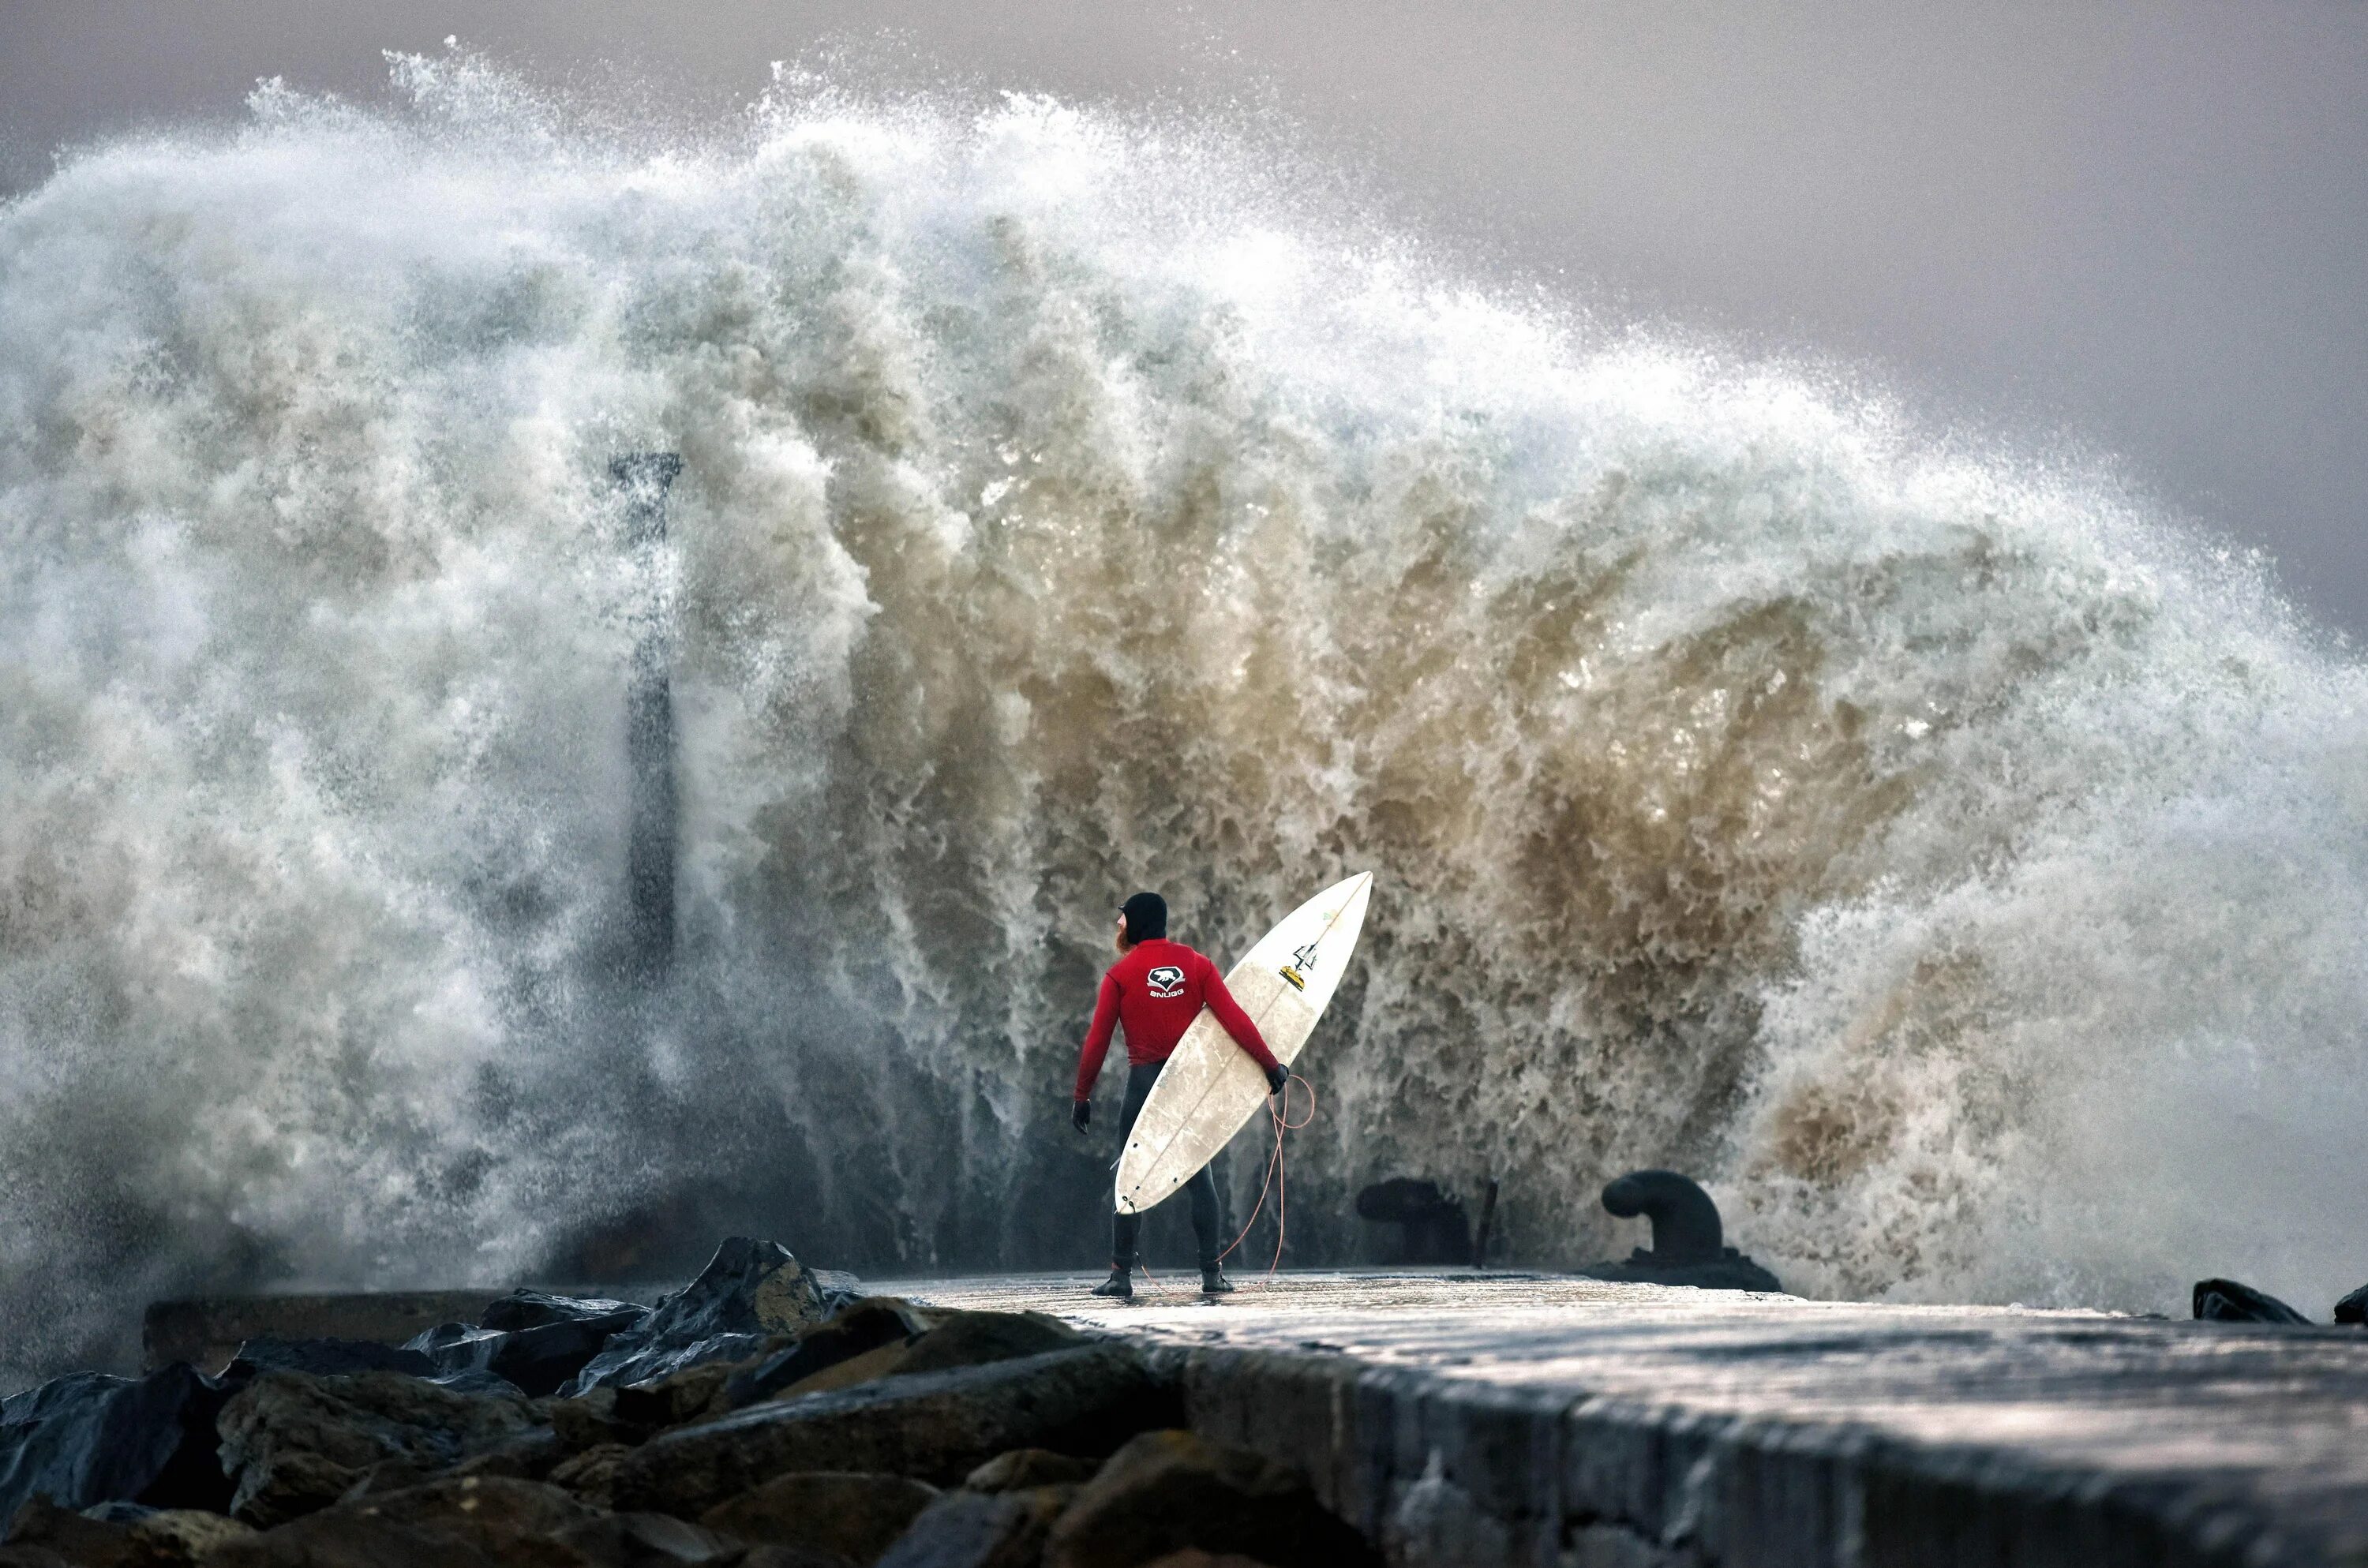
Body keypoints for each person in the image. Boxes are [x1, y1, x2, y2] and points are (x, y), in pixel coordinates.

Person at [1073, 890, 1289, 1299]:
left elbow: (1096, 1042)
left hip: (1143, 1087)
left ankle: (1121, 1275)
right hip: (1189, 1088)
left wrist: (1082, 1095)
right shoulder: (1196, 964)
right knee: (1199, 1178)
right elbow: (1234, 1020)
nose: (1118, 924)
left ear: (1138, 922)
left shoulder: (1120, 975)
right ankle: (1211, 1274)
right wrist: (1270, 1064)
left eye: (1122, 918)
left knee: (1129, 1176)